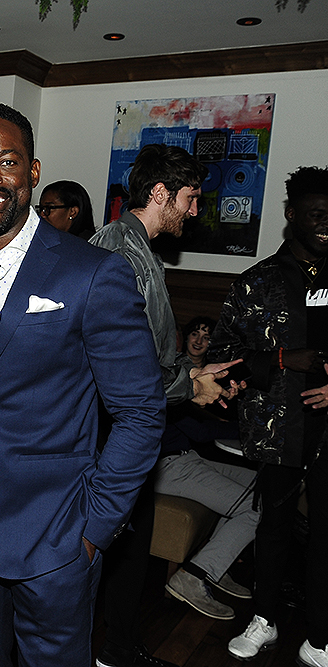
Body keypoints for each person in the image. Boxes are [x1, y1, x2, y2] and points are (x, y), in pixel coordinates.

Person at [0, 102, 166, 667]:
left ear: (32, 173)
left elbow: (141, 412)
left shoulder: (92, 271)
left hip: (58, 532)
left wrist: (95, 527)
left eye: (7, 162)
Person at [89, 143, 240, 667]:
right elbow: (124, 366)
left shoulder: (139, 250)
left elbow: (149, 350)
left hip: (130, 427)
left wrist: (194, 373)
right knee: (112, 548)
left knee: (129, 549)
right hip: (110, 431)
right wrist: (188, 386)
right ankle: (109, 649)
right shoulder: (120, 253)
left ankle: (118, 647)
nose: (196, 211)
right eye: (191, 198)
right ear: (161, 193)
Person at [210, 165, 328, 666]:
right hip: (278, 428)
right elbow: (221, 354)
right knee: (274, 526)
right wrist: (282, 359)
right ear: (291, 215)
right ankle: (264, 619)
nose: (327, 224)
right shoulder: (258, 281)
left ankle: (321, 636)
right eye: (317, 214)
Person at [153, 316, 258, 621]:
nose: (196, 341)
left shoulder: (181, 373)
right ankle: (192, 577)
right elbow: (198, 429)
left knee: (263, 485)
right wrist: (247, 433)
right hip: (167, 466)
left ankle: (215, 565)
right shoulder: (164, 378)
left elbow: (201, 424)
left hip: (186, 458)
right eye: (190, 334)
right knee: (256, 509)